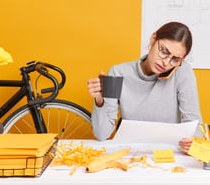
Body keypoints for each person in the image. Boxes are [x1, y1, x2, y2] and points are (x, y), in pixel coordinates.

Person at [87, 22, 203, 153]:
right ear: (153, 39)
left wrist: (195, 145)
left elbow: (194, 124)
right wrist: (100, 101)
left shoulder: (183, 72)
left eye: (175, 59)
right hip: (130, 152)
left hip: (169, 153)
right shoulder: (117, 73)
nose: (166, 62)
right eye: (164, 51)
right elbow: (102, 134)